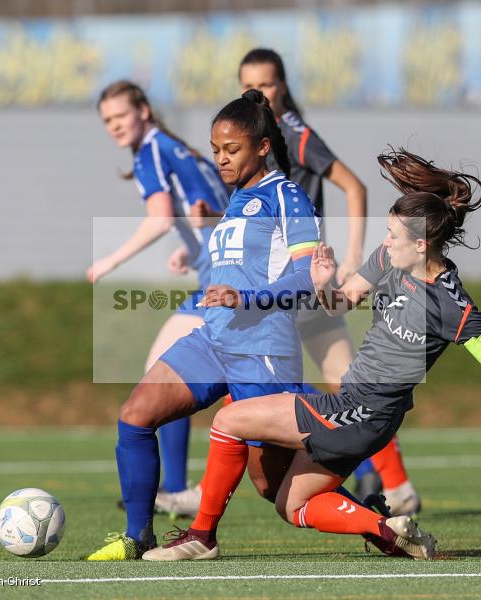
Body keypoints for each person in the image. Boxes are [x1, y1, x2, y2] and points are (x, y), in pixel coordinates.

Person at [142, 148, 481, 561]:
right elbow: (342, 302)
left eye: (393, 236)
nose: (385, 242)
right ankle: (386, 528)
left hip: (363, 414)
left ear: (423, 245)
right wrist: (323, 283)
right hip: (354, 410)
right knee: (291, 506)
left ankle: (201, 537)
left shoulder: (453, 305)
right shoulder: (390, 259)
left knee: (228, 420)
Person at [86, 89, 324, 560]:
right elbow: (238, 256)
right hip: (214, 338)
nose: (221, 159)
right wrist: (195, 253)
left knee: (273, 485)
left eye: (231, 149)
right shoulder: (238, 197)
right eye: (216, 150)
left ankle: (377, 523)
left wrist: (246, 297)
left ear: (260, 146)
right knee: (136, 414)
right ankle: (138, 538)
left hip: (262, 350)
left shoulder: (286, 195)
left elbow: (308, 277)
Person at [236, 48, 419, 515]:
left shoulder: (293, 133)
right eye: (249, 85)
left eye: (269, 84)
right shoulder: (254, 139)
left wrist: (354, 256)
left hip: (298, 282)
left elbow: (354, 186)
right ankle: (390, 487)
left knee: (309, 387)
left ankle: (389, 488)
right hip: (281, 283)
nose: (259, 93)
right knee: (343, 385)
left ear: (284, 86)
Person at [87, 80, 229, 517]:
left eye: (120, 116)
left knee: (163, 374)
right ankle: (177, 488)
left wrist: (108, 261)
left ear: (144, 111)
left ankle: (175, 489)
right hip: (229, 275)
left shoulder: (151, 149)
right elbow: (216, 210)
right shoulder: (172, 147)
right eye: (107, 120)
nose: (114, 126)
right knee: (226, 385)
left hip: (223, 284)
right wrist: (194, 246)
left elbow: (161, 217)